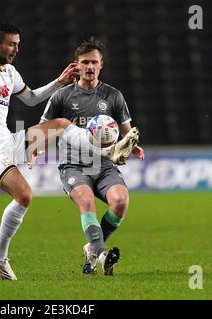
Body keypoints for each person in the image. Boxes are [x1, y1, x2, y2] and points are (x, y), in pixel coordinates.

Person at [0, 23, 130, 280]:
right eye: (11, 44)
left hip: (7, 139)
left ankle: (109, 151)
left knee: (61, 125)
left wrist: (59, 82)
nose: (15, 49)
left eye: (17, 44)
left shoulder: (10, 73)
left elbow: (32, 98)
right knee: (24, 195)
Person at [40, 37, 144, 276]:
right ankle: (102, 253)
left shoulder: (113, 96)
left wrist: (133, 146)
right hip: (74, 165)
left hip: (104, 165)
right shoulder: (62, 96)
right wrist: (35, 150)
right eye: (84, 62)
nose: (89, 67)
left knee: (121, 202)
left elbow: (127, 132)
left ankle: (92, 249)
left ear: (101, 65)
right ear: (76, 65)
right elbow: (43, 127)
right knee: (87, 203)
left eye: (93, 62)